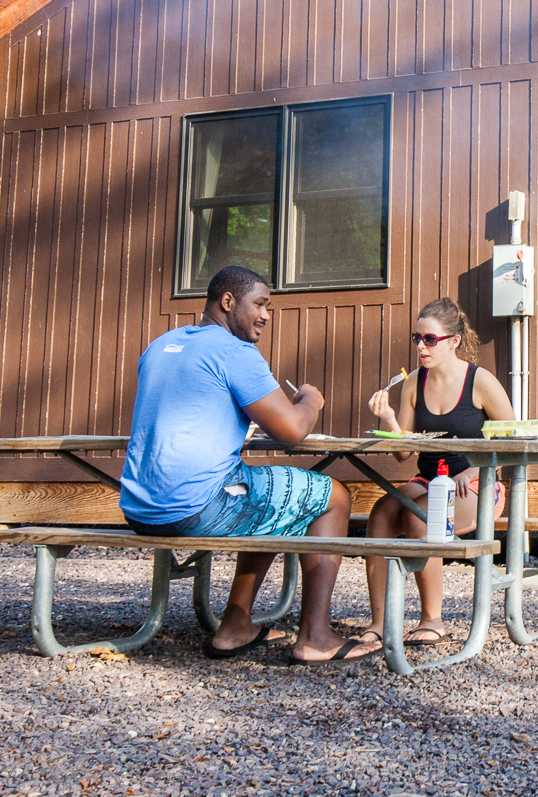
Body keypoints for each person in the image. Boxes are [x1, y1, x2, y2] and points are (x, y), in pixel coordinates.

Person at [118, 264, 369, 663]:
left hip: (138, 509)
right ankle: (316, 637)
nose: (266, 315)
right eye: (260, 304)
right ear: (228, 301)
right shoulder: (235, 352)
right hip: (194, 508)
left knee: (269, 494)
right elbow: (291, 430)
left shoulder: (162, 345)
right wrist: (311, 400)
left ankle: (235, 626)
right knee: (333, 497)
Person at [354, 297, 515, 652]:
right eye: (417, 338)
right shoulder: (414, 382)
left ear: (454, 341)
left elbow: (512, 439)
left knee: (423, 516)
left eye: (430, 339)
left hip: (476, 484)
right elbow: (403, 453)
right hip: (428, 479)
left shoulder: (480, 381)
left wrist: (473, 469)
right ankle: (379, 623)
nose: (421, 347)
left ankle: (432, 620)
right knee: (380, 514)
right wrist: (389, 419)